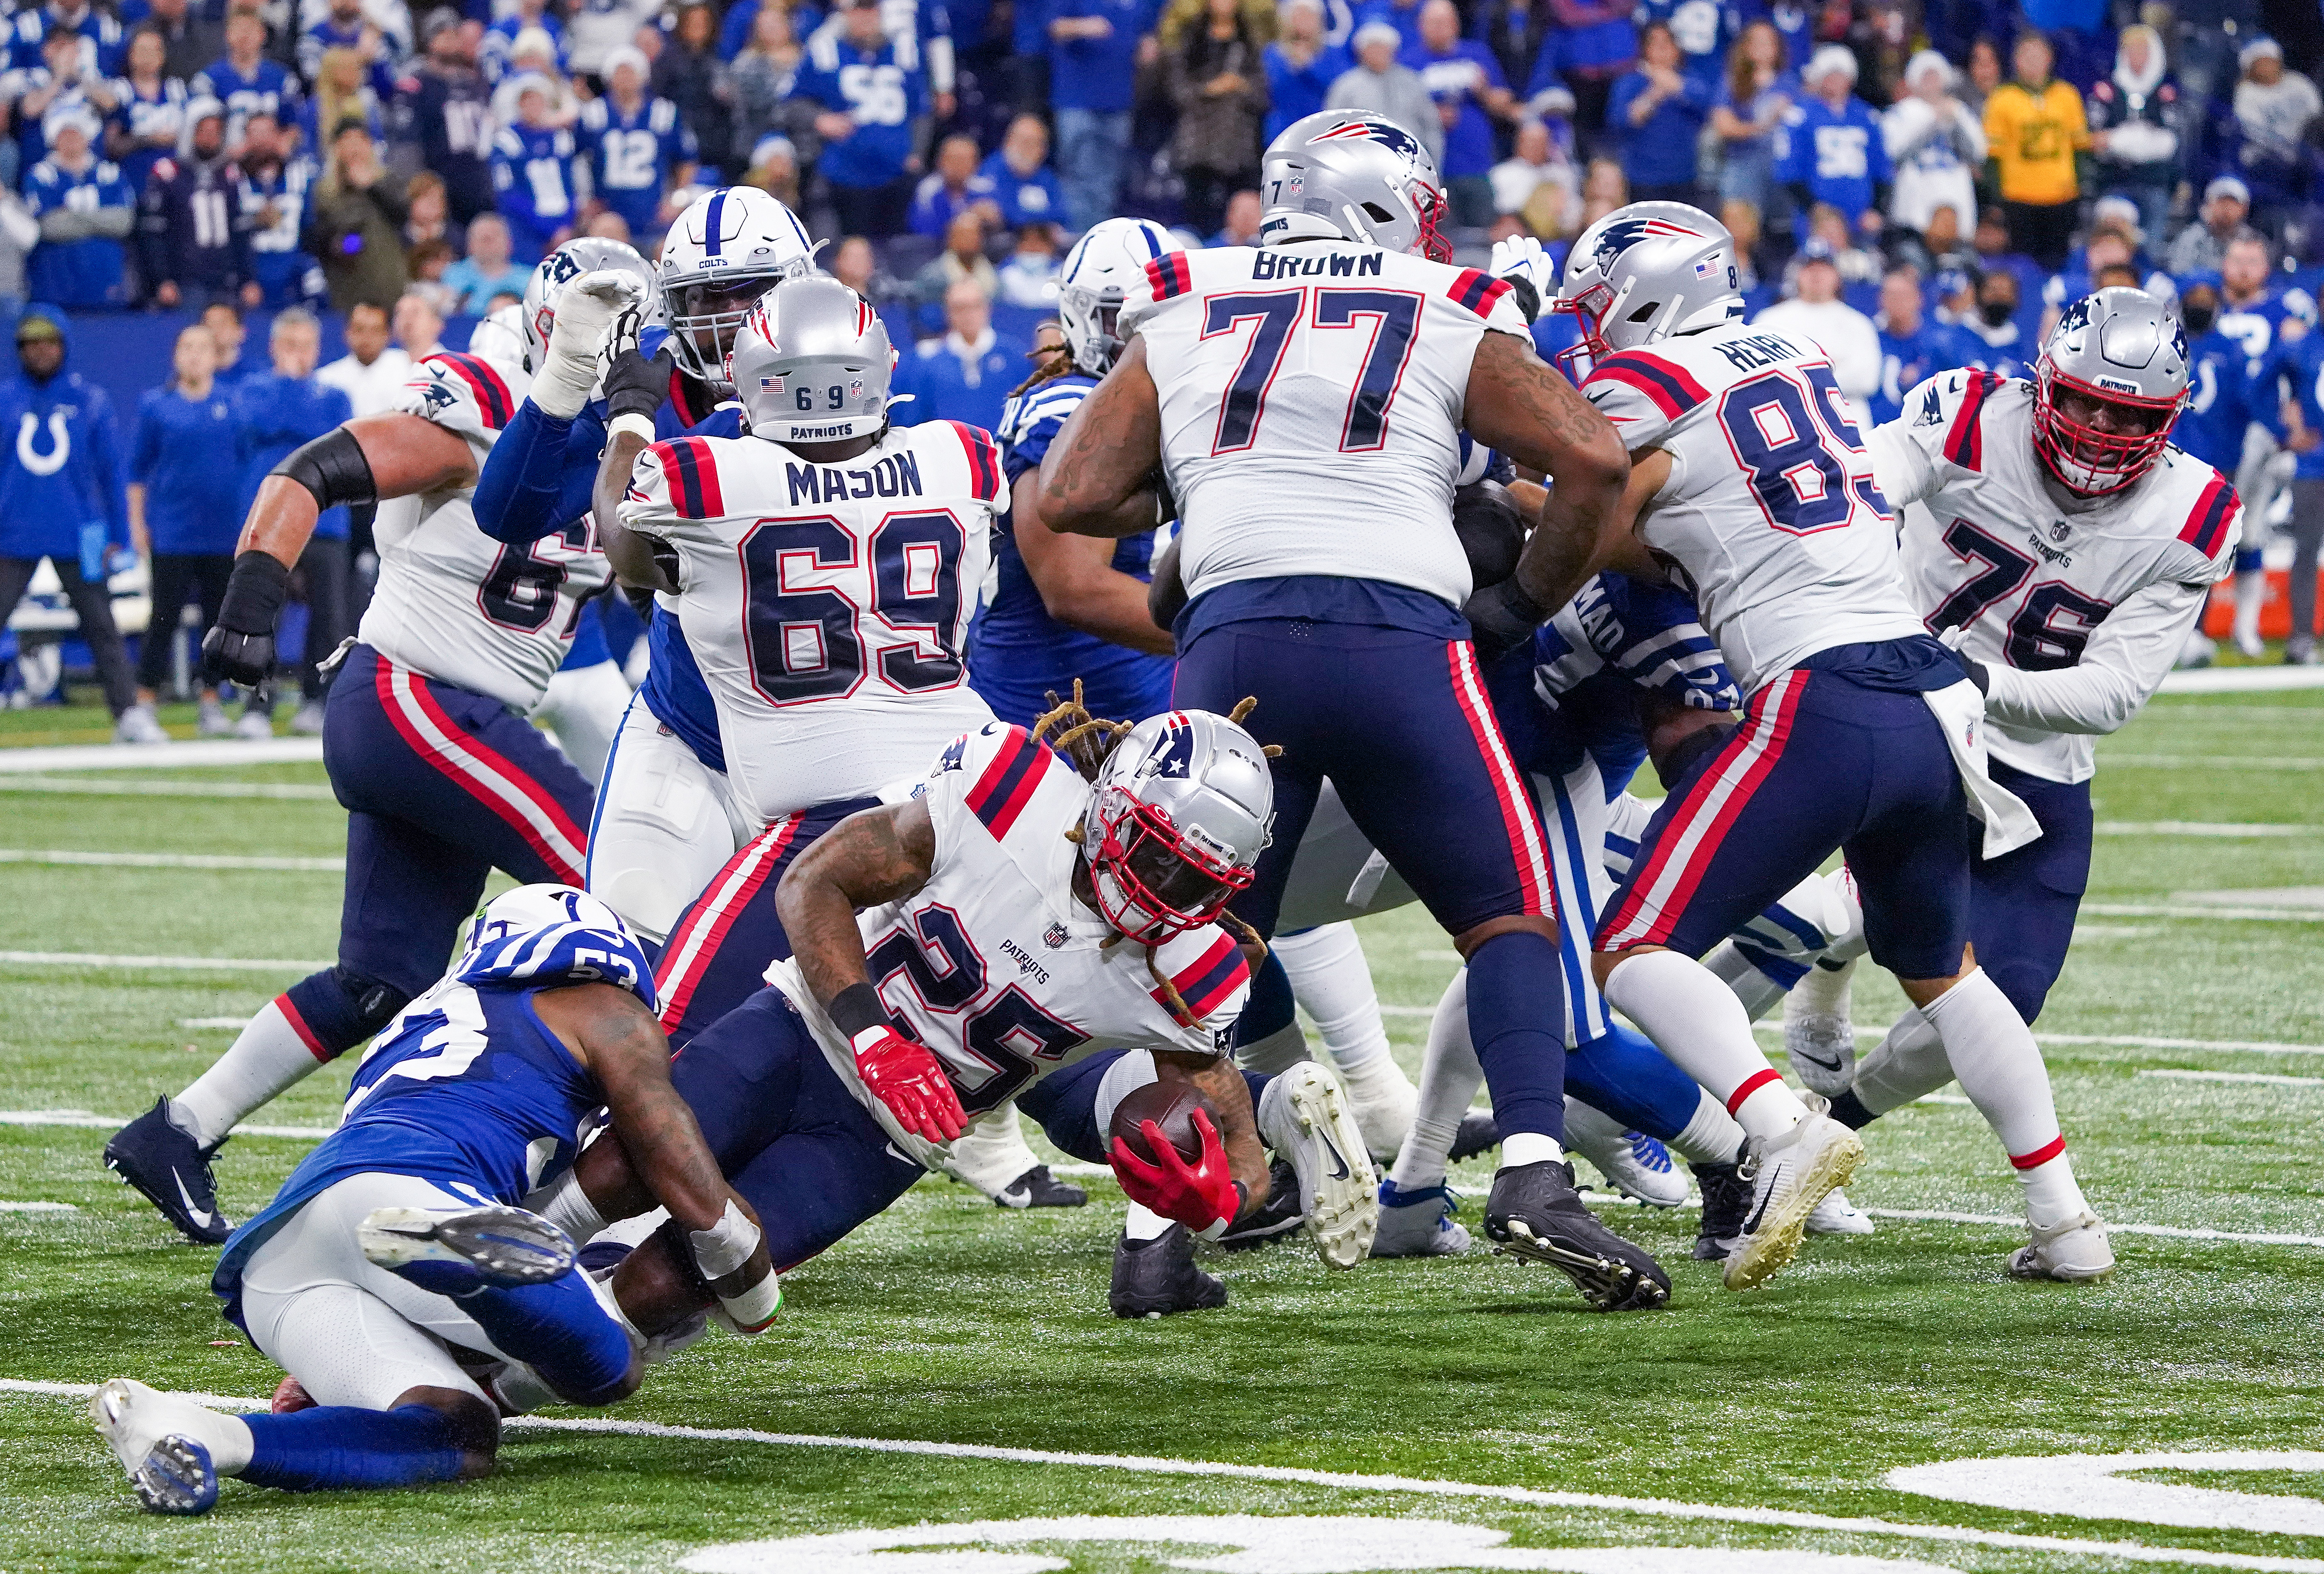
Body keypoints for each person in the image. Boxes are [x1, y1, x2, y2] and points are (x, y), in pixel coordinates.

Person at [1039, 111, 1669, 1312]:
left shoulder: (1185, 294)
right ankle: (1532, 1172)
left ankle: (1153, 1239)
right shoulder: (1447, 302)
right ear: (1382, 210)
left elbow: (1072, 493)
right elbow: (1588, 461)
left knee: (1203, 938)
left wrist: (1203, 487)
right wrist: (1517, 604)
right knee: (1508, 916)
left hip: (1230, 642)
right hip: (1399, 637)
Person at [1543, 201, 2084, 1290]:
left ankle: (1778, 1127)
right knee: (1944, 973)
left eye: (1601, 308)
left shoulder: (1639, 389)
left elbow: (1590, 513)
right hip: (1932, 694)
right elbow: (1699, 518)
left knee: (1633, 948)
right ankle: (2064, 1218)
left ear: (1648, 298)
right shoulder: (1796, 351)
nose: (1591, 329)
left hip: (1820, 694)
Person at [536, 705, 1380, 1322]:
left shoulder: (1190, 966)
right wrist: (872, 1030)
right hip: (801, 1027)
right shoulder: (1008, 790)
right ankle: (463, 1288)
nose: (1165, 892)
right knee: (619, 1166)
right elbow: (811, 881)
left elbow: (1238, 1158)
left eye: (1195, 881)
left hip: (886, 1141)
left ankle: (513, 1376)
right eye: (1158, 855)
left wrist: (1210, 1202)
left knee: (665, 1287)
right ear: (1116, 804)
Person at [102, 297, 614, 1244]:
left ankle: (178, 1130)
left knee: (383, 977)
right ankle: (590, 1175)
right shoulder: (485, 409)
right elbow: (316, 468)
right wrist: (255, 592)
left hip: (438, 716)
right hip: (419, 698)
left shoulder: (616, 448)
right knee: (616, 897)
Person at [1775, 289, 2231, 1280]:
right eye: (2089, 405)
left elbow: (2110, 692)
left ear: (2171, 419)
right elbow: (1862, 493)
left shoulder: (2195, 513)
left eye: (2133, 418)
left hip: (2032, 763)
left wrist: (1975, 680)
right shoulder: (1969, 411)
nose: (2106, 433)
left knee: (2003, 999)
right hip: (1905, 729)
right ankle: (1689, 1104)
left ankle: (1824, 1124)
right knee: (1810, 924)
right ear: (2043, 383)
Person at [91, 886, 779, 1514]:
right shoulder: (603, 1007)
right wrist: (736, 1251)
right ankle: (458, 1259)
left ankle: (205, 1433)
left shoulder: (418, 1021)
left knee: (459, 1431)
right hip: (417, 1195)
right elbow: (659, 1134)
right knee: (606, 1367)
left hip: (289, 1246)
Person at [969, 219, 1178, 734]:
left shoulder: (1172, 400)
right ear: (1081, 316)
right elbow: (1074, 588)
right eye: (1122, 318)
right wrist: (1219, 629)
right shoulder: (1067, 406)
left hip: (1143, 703)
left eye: (1164, 315)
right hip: (1046, 725)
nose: (1144, 334)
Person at [0, 305, 146, 741]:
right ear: (18, 349)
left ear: (64, 347)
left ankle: (129, 716)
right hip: (12, 534)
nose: (40, 351)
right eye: (31, 344)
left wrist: (121, 538)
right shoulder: (5, 398)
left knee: (102, 627)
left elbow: (112, 475)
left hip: (83, 534)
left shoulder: (91, 401)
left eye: (49, 343)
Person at [228, 310, 354, 737]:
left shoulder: (335, 395)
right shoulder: (251, 389)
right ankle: (256, 705)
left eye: (305, 346)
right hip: (270, 518)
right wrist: (290, 389)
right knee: (262, 613)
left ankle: (318, 701)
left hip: (326, 517)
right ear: (273, 347)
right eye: (289, 345)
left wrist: (290, 404)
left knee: (330, 618)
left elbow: (331, 433)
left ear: (318, 350)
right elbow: (254, 423)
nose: (297, 355)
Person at [126, 324, 244, 738]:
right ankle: (143, 703)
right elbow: (137, 472)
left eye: (202, 348)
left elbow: (247, 468)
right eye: (187, 347)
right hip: (174, 533)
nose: (194, 356)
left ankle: (210, 701)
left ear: (216, 357)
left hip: (222, 533)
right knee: (163, 617)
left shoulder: (234, 405)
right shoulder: (156, 406)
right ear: (176, 356)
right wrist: (138, 524)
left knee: (217, 622)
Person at [796, 0, 930, 238]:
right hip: (844, 174)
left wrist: (917, 152)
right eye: (859, 11)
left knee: (894, 249)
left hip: (897, 174)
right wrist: (819, 118)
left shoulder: (904, 49)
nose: (865, 19)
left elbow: (921, 108)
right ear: (847, 15)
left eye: (871, 11)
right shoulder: (825, 50)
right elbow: (793, 101)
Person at [138, 98, 256, 312]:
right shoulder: (168, 174)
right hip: (185, 282)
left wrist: (248, 278)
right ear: (190, 132)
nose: (210, 138)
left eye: (216, 131)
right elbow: (153, 234)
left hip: (226, 280)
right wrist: (162, 279)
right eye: (204, 131)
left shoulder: (231, 175)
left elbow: (241, 232)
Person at [1400, 0, 1509, 229]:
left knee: (1482, 235)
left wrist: (1484, 92)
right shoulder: (1408, 62)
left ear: (1456, 25)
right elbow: (1400, 113)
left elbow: (1504, 103)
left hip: (1477, 163)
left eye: (1445, 22)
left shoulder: (1477, 54)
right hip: (1432, 170)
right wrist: (1431, 115)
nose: (1440, 28)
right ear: (1421, 26)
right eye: (1434, 23)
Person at [1049, 0, 1156, 231]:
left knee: (1108, 182)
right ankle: (1077, 243)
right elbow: (1053, 27)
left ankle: (1100, 242)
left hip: (1118, 100)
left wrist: (1148, 45)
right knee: (1079, 177)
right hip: (1077, 100)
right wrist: (1082, 27)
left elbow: (1147, 32)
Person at [1982, 32, 2086, 269]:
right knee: (2023, 267)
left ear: (2049, 59)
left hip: (2062, 197)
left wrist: (2080, 186)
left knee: (2058, 264)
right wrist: (1997, 198)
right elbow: (1992, 154)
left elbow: (2080, 147)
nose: (2033, 61)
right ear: (2016, 60)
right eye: (2027, 56)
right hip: (2019, 199)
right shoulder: (2002, 98)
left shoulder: (2067, 94)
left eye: (2039, 55)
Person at [1752, 239, 1880, 430]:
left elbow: (1867, 380)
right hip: (1791, 423)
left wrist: (1798, 375)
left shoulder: (1859, 324)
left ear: (1837, 275)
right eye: (1809, 268)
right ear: (1798, 274)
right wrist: (1830, 367)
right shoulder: (1770, 320)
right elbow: (1759, 376)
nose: (1817, 275)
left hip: (1847, 423)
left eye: (1824, 268)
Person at [578, 46, 697, 244]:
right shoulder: (593, 114)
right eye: (620, 73)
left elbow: (687, 160)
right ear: (609, 78)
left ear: (643, 76)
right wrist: (584, 200)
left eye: (630, 72)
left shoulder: (664, 112)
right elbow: (574, 159)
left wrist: (677, 198)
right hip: (609, 215)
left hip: (654, 214)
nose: (625, 79)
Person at [2258, 323, 2324, 663]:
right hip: (2313, 464)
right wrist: (2284, 431)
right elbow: (2256, 385)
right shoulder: (2299, 347)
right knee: (2306, 552)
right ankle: (2300, 639)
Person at [22, 107, 132, 307]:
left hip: (107, 283)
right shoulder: (40, 176)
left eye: (77, 134)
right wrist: (99, 219)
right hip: (56, 285)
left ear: (87, 137)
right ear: (54, 139)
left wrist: (72, 216)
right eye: (65, 135)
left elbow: (123, 223)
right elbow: (48, 227)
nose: (71, 141)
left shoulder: (110, 173)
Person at [2085, 24, 2181, 246]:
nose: (2137, 56)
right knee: (2113, 246)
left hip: (2155, 183)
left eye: (2143, 50)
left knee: (2152, 250)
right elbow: (2096, 140)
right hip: (2113, 182)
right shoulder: (2106, 91)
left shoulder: (2166, 92)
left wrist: (2117, 139)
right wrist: (2145, 138)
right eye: (2131, 50)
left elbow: (2169, 144)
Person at [396, 11, 494, 225]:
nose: (451, 42)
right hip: (439, 185)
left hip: (477, 183)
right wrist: (420, 188)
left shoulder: (473, 82)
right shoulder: (417, 84)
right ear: (430, 40)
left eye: (455, 35)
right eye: (444, 35)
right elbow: (408, 143)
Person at [1779, 44, 1888, 237]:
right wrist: (1813, 207)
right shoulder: (1800, 116)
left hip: (1861, 219)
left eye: (1841, 74)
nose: (1836, 81)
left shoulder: (1867, 116)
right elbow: (1789, 173)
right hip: (1817, 220)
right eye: (1830, 74)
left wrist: (1877, 209)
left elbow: (1883, 170)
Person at [305, 118, 408, 312]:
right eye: (348, 141)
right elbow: (317, 237)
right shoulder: (325, 192)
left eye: (360, 140)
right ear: (337, 149)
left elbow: (402, 216)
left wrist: (371, 186)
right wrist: (340, 243)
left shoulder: (387, 180)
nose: (355, 148)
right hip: (347, 287)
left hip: (389, 284)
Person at [1884, 50, 1982, 245]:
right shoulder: (1902, 112)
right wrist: (1933, 125)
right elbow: (1894, 155)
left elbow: (1977, 155)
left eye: (1935, 76)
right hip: (1916, 202)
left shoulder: (1959, 109)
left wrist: (1955, 124)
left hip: (1955, 195)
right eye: (1925, 76)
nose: (1931, 81)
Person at [1609, 22, 1709, 205]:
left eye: (1668, 44)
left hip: (1685, 178)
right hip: (1642, 179)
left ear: (1677, 49)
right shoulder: (1629, 83)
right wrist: (1655, 93)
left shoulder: (1692, 80)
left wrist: (1675, 85)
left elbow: (1707, 107)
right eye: (1654, 44)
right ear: (1645, 50)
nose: (1662, 51)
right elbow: (1619, 122)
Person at [2228, 36, 2320, 230]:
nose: (2268, 65)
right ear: (2250, 69)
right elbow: (2254, 133)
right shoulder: (2247, 93)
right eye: (2261, 61)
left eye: (2271, 59)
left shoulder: (2298, 83)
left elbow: (2317, 116)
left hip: (2304, 154)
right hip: (2266, 159)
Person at [903, 277, 1017, 431]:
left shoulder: (1014, 355)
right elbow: (916, 422)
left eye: (974, 306)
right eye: (960, 308)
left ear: (987, 308)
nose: (968, 315)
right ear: (948, 313)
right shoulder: (928, 364)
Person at [234, 112, 323, 309]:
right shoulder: (232, 179)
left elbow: (314, 228)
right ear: (245, 139)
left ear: (279, 136)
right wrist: (254, 221)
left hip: (293, 273)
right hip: (251, 279)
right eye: (255, 133)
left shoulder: (302, 176)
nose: (262, 140)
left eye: (267, 132)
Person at [1325, 21, 1440, 168]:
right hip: (1363, 165)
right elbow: (1332, 129)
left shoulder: (1412, 82)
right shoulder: (1345, 86)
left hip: (1410, 162)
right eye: (1373, 47)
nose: (1379, 52)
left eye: (1384, 47)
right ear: (1362, 52)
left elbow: (1432, 126)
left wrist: (1432, 164)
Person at [489, 79, 576, 264]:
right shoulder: (507, 140)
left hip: (563, 225)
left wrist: (565, 225)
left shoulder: (560, 138)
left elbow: (570, 186)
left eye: (538, 99)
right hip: (525, 229)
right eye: (527, 100)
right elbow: (507, 194)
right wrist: (546, 227)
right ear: (518, 104)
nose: (534, 105)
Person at [1710, 20, 1791, 217]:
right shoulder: (1732, 82)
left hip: (1780, 166)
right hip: (1743, 162)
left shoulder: (1790, 82)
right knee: (1742, 224)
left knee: (1781, 229)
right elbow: (1724, 126)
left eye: (1769, 42)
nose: (1763, 48)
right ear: (1745, 47)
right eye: (1757, 42)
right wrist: (1764, 126)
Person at [191, 9, 300, 149]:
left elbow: (295, 125)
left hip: (271, 160)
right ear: (227, 35)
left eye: (251, 30)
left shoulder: (284, 79)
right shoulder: (208, 80)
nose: (245, 36)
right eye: (239, 30)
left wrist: (282, 143)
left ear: (263, 34)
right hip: (226, 161)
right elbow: (202, 135)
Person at [104, 28, 188, 198]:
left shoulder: (177, 90)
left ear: (162, 56)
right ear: (131, 55)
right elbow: (112, 146)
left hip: (178, 179)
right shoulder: (121, 92)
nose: (147, 57)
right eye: (142, 51)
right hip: (138, 179)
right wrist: (148, 139)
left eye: (153, 51)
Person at [652, 5, 732, 179]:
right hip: (677, 131)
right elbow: (659, 100)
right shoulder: (667, 61)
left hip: (714, 138)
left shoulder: (721, 58)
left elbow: (728, 102)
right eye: (693, 22)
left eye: (704, 22)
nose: (699, 27)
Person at [1869, 262, 1946, 425]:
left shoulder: (1940, 341)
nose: (1897, 302)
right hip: (1876, 431)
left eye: (1904, 296)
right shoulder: (1869, 338)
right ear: (1881, 300)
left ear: (1919, 299)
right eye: (1891, 295)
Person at [1262, 0, 1345, 144]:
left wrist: (1309, 66)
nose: (1303, 22)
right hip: (1281, 132)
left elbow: (1338, 88)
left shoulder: (1332, 53)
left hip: (1322, 132)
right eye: (1298, 16)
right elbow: (1269, 90)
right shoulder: (1273, 53)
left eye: (1309, 16)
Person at [315, 301, 410, 418]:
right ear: (348, 333)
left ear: (388, 335)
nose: (367, 338)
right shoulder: (327, 380)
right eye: (360, 329)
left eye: (375, 330)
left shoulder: (408, 369)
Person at [908, 132, 997, 237]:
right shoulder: (928, 189)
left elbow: (997, 225)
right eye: (953, 159)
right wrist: (968, 217)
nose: (958, 166)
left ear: (976, 165)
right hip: (936, 247)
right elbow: (924, 229)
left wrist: (993, 221)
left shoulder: (985, 188)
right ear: (940, 162)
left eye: (965, 160)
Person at [442, 213, 529, 314]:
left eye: (494, 237)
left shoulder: (529, 279)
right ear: (469, 245)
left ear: (509, 244)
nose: (487, 242)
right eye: (482, 237)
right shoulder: (452, 275)